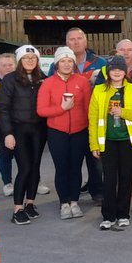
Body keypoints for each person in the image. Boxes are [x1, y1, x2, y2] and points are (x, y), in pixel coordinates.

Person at [89, 56, 132, 230]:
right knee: (109, 179)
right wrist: (94, 145)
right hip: (107, 141)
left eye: (120, 69)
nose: (116, 72)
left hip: (127, 142)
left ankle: (123, 214)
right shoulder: (99, 90)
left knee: (126, 178)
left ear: (125, 72)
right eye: (113, 69)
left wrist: (123, 112)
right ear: (108, 72)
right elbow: (93, 119)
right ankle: (108, 216)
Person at [49, 27, 106, 205]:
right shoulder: (55, 65)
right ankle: (69, 196)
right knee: (71, 161)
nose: (76, 42)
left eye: (79, 38)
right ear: (66, 43)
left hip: (95, 117)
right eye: (72, 39)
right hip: (69, 120)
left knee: (95, 158)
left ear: (86, 41)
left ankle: (97, 190)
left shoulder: (100, 62)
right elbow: (51, 88)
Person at [38, 46, 93, 220]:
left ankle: (74, 202)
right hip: (57, 132)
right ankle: (64, 203)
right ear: (57, 63)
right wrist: (61, 108)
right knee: (61, 168)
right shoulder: (48, 83)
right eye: (63, 61)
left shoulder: (82, 82)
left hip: (79, 131)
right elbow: (41, 110)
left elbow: (89, 108)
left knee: (76, 167)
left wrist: (90, 128)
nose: (67, 64)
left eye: (70, 61)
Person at [0, 45, 48, 225]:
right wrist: (7, 133)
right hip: (18, 128)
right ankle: (17, 208)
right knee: (25, 167)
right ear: (19, 60)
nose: (30, 61)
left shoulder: (42, 78)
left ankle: (30, 203)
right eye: (26, 58)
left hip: (38, 129)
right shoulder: (10, 79)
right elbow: (2, 108)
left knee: (35, 167)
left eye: (33, 58)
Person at [0, 53, 17, 197]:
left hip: (21, 124)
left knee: (28, 156)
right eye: (4, 65)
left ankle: (35, 181)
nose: (8, 68)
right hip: (2, 125)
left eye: (10, 65)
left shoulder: (21, 80)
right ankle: (7, 183)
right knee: (5, 156)